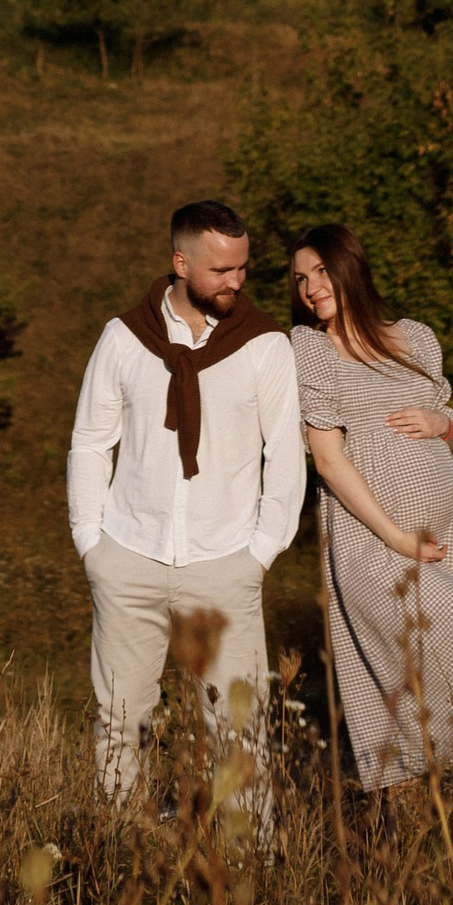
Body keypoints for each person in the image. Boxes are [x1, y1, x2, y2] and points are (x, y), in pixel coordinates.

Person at [66, 197, 306, 803]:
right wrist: (91, 545)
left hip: (225, 563)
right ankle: (122, 857)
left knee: (238, 735)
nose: (236, 281)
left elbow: (286, 454)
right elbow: (91, 442)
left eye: (243, 267)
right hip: (128, 556)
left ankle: (246, 874)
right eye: (220, 270)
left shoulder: (265, 345)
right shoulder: (123, 339)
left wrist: (259, 555)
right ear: (180, 262)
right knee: (122, 726)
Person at [290, 222, 453, 793]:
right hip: (374, 538)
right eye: (301, 279)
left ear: (350, 266)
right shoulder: (309, 348)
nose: (310, 288)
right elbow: (328, 461)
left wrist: (442, 423)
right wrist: (396, 537)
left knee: (441, 666)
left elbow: (448, 435)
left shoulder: (414, 337)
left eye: (321, 272)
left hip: (448, 526)